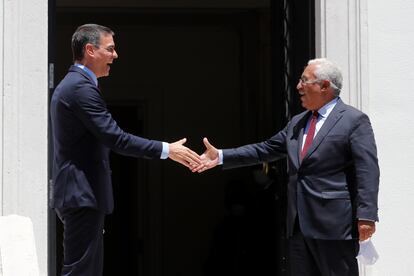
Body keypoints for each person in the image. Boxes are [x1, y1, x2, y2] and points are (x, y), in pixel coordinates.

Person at [194, 58, 379, 276]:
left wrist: (366, 216)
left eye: (304, 81)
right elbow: (264, 149)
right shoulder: (297, 123)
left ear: (325, 86)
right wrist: (222, 156)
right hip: (299, 225)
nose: (298, 87)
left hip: (334, 226)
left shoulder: (353, 120)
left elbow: (367, 170)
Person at [50, 24, 200, 276]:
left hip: (82, 194)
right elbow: (116, 138)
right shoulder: (79, 88)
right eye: (110, 49)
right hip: (81, 194)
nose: (115, 55)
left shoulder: (79, 85)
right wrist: (166, 150)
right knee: (81, 272)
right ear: (90, 50)